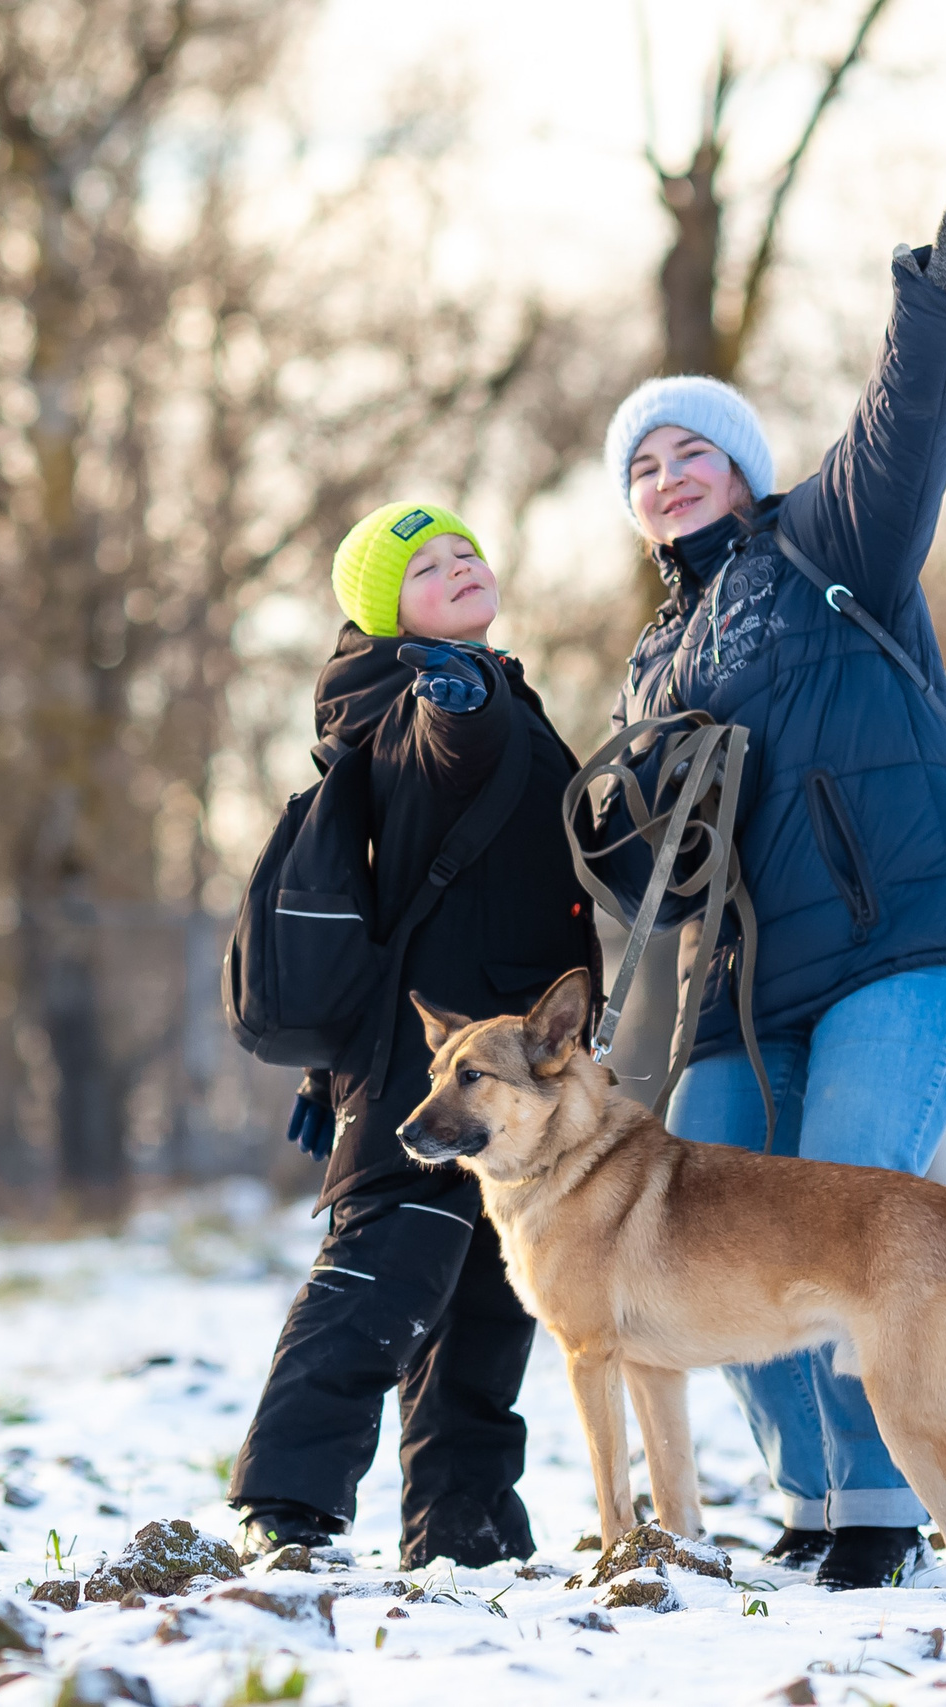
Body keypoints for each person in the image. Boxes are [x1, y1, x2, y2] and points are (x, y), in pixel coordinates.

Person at [585, 205, 946, 1590]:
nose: (667, 477)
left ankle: (892, 1512)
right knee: (695, 1254)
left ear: (744, 468)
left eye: (690, 451)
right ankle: (830, 1496)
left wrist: (937, 311)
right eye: (643, 465)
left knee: (853, 1210)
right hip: (739, 992)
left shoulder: (829, 543)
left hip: (900, 938)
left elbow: (903, 435)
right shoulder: (653, 659)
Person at [229, 500, 614, 1568]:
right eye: (424, 565)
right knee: (384, 1276)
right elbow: (455, 746)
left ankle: (463, 1518)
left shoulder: (469, 686)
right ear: (382, 612)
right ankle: (289, 1502)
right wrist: (456, 690)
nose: (455, 566)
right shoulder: (421, 697)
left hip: (494, 1060)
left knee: (491, 1295)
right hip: (440, 1059)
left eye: (465, 552)